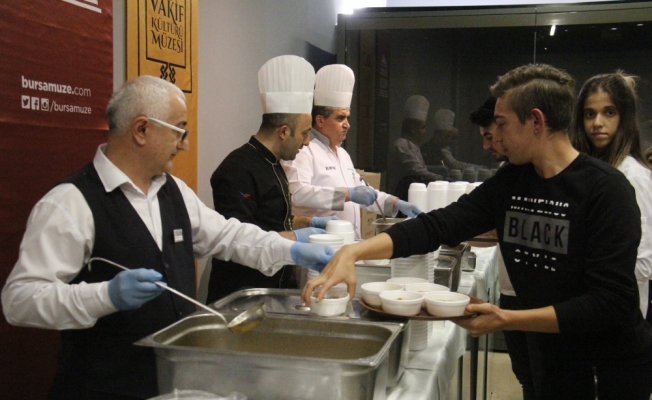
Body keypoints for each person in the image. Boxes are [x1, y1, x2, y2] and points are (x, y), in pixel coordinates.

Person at [306, 64, 652, 399]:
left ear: (536, 121)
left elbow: (611, 302)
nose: (495, 139)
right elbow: (440, 224)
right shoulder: (514, 181)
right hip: (554, 357)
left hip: (609, 363)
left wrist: (508, 319)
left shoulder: (606, 189)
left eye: (502, 124)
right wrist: (354, 251)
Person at [1, 75, 334, 400]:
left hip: (171, 379)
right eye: (180, 130)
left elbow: (228, 236)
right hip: (101, 386)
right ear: (142, 130)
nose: (185, 143)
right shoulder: (70, 203)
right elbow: (20, 300)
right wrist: (105, 295)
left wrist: (292, 249)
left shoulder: (173, 191)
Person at [206, 55, 337, 303]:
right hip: (241, 296)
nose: (307, 142)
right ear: (284, 132)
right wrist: (298, 239)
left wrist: (308, 223)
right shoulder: (236, 170)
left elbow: (272, 217)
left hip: (272, 289)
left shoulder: (275, 163)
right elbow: (241, 241)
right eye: (305, 133)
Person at [282, 64, 421, 240]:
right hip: (317, 243)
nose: (347, 124)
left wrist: (395, 203)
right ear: (320, 120)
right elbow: (298, 195)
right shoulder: (304, 151)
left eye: (347, 117)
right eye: (340, 118)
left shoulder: (343, 154)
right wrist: (348, 194)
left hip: (349, 244)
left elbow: (365, 193)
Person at [471, 95, 539, 400]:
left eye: (494, 132)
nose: (489, 145)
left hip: (539, 304)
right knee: (526, 375)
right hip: (512, 292)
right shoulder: (509, 175)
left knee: (545, 377)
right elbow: (451, 220)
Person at [571, 71, 652, 323]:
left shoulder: (633, 174)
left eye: (609, 112)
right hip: (585, 304)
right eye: (589, 114)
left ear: (624, 118)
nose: (597, 123)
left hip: (618, 311)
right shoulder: (587, 169)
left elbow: (644, 260)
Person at [387, 95, 445, 198]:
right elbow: (418, 171)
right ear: (413, 128)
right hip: (401, 196)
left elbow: (421, 168)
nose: (425, 132)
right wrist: (443, 178)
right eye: (423, 128)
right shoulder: (401, 145)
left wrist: (440, 169)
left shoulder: (412, 145)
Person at [421, 108, 483, 174]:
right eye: (447, 137)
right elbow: (454, 164)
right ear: (437, 135)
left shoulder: (441, 149)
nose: (449, 141)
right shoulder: (428, 149)